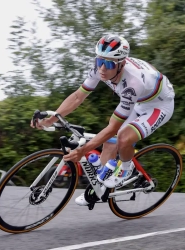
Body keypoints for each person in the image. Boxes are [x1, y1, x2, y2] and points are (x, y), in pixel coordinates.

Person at [30, 34, 175, 206]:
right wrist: (50, 120)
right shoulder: (99, 68)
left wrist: (82, 151)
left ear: (121, 64)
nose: (102, 69)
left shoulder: (132, 83)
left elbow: (113, 128)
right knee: (110, 143)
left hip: (159, 105)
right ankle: (100, 189)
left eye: (108, 64)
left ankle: (126, 170)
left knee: (122, 137)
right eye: (100, 61)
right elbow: (78, 97)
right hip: (140, 101)